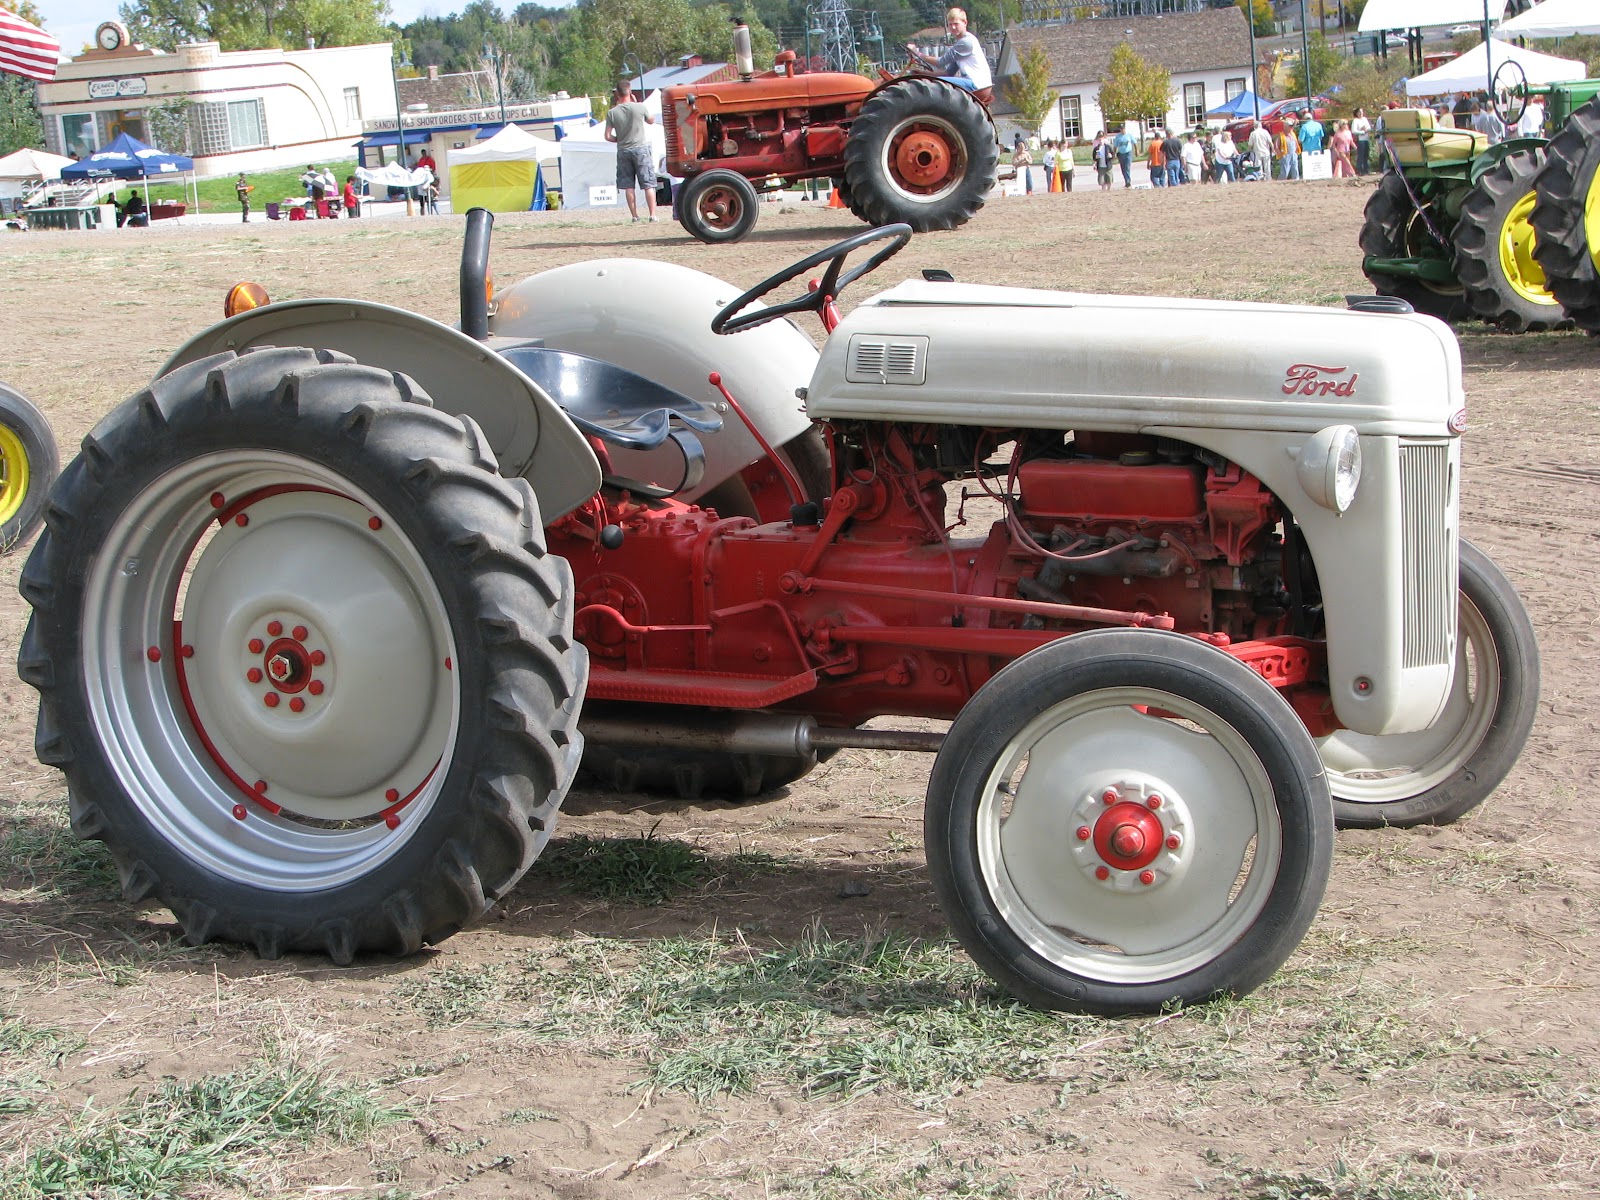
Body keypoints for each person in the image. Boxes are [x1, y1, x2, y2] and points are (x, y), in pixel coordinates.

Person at [904, 7, 991, 96]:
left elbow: (940, 62)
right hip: (976, 84)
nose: (953, 27)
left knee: (934, 85)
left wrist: (917, 53)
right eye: (950, 24)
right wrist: (923, 74)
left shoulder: (966, 42)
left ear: (965, 23)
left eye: (956, 24)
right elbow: (948, 73)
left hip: (977, 85)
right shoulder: (961, 44)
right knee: (933, 82)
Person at [605, 82, 658, 223]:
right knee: (648, 184)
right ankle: (652, 215)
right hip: (640, 148)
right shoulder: (639, 107)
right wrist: (637, 103)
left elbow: (607, 136)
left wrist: (620, 139)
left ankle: (635, 216)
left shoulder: (612, 113)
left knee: (628, 186)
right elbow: (651, 120)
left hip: (623, 150)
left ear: (617, 93)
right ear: (630, 92)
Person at [1275, 116, 1300, 180]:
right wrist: (1280, 155)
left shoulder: (1292, 134)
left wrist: (1295, 122)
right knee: (1285, 172)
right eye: (1290, 126)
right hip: (1285, 155)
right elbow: (1276, 146)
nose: (1291, 127)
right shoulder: (1281, 136)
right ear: (1285, 127)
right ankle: (1280, 183)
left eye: (1291, 126)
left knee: (1295, 170)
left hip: (1293, 154)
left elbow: (1292, 127)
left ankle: (1296, 182)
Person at [1351, 107, 1372, 175]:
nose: (1361, 113)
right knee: (1361, 155)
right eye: (1359, 112)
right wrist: (1362, 131)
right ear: (1357, 113)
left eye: (1362, 112)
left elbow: (1369, 127)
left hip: (1366, 138)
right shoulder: (1355, 120)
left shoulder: (1365, 119)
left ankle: (1366, 169)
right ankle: (1360, 169)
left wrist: (1366, 129)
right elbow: (1353, 131)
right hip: (1360, 139)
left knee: (1366, 154)